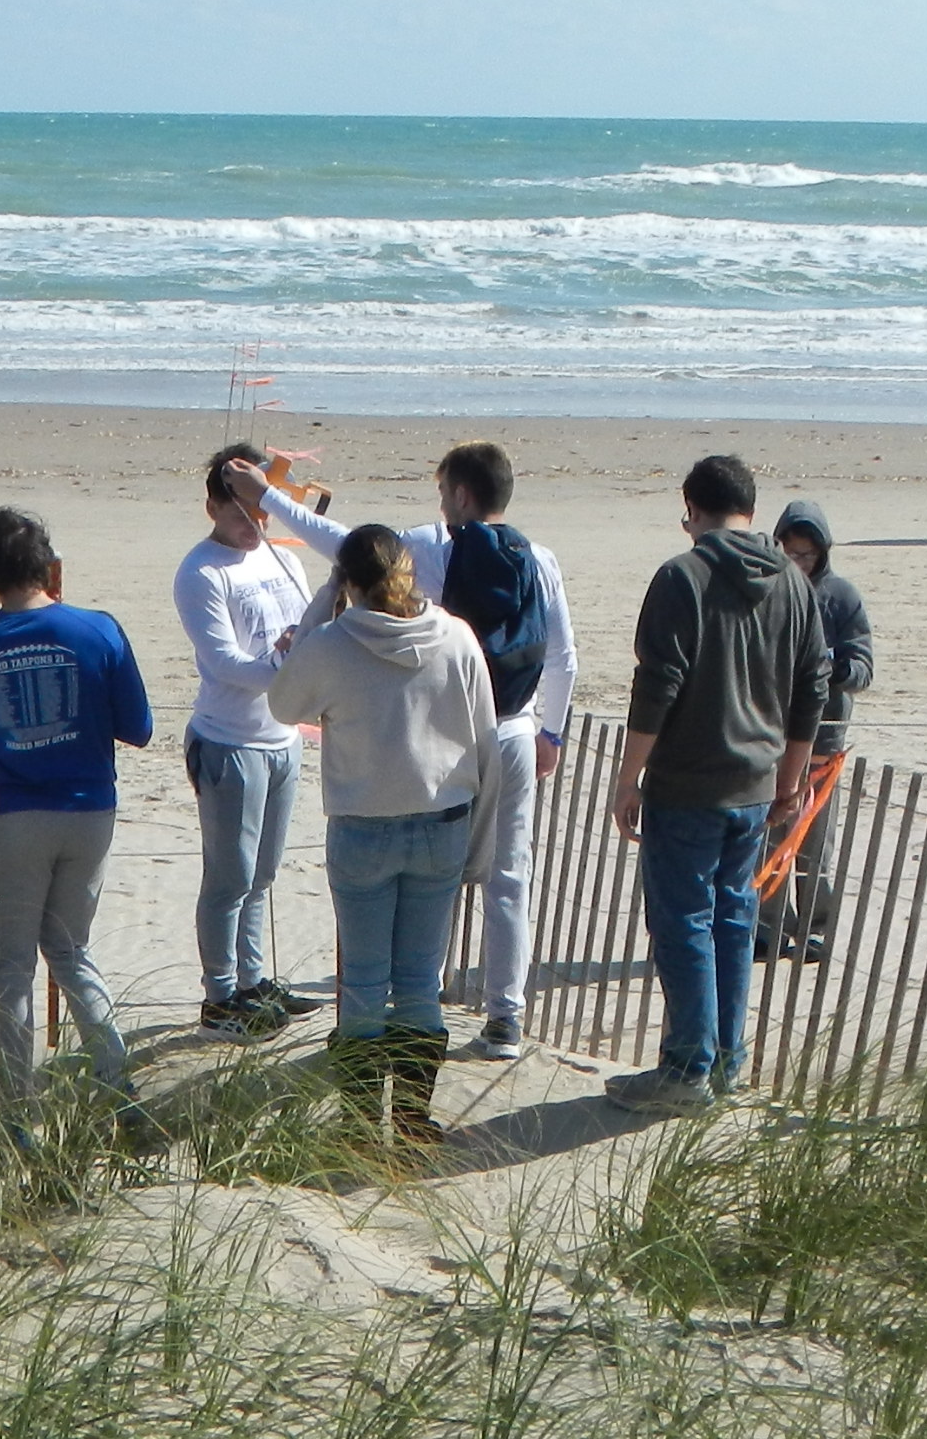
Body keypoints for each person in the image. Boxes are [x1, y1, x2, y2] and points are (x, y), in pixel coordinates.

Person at [227, 438, 576, 1062]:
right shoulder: (540, 557)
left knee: (379, 954)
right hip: (517, 731)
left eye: (444, 492)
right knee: (507, 879)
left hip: (448, 746)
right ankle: (505, 1018)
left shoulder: (430, 546)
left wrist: (269, 497)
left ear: (462, 495)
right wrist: (552, 731)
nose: (441, 504)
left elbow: (346, 544)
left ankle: (370, 1075)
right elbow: (563, 656)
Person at [606, 452, 826, 1115]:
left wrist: (627, 776)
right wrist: (791, 778)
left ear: (694, 511)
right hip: (755, 786)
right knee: (732, 921)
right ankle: (726, 1062)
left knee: (684, 924)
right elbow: (813, 686)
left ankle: (686, 1069)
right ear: (752, 512)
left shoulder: (684, 576)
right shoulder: (792, 581)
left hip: (690, 785)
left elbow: (657, 685)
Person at [264, 521, 495, 1144]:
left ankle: (363, 1125)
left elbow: (282, 704)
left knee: (364, 981)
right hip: (441, 819)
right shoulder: (456, 636)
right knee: (420, 979)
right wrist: (482, 835)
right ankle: (413, 1119)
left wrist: (322, 603)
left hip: (364, 826)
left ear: (350, 581)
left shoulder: (333, 643)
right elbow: (485, 739)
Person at [0, 505, 152, 1109]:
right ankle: (116, 1081)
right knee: (69, 950)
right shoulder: (100, 629)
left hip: (19, 810)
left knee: (13, 966)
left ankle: (16, 1108)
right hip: (89, 807)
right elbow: (137, 726)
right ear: (48, 566)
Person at [170, 448, 326, 1033]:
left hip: (282, 737)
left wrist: (304, 669)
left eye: (258, 507)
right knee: (229, 876)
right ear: (212, 506)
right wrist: (287, 668)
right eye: (237, 509)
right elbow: (224, 661)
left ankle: (254, 981)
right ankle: (219, 996)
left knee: (262, 874)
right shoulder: (201, 570)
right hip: (229, 739)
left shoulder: (284, 561)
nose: (251, 521)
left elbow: (310, 632)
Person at [754, 498, 871, 959]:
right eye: (791, 552)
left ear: (822, 552)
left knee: (814, 840)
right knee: (768, 837)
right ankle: (767, 927)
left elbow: (863, 664)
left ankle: (815, 928)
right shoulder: (767, 589)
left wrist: (836, 669)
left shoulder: (841, 596)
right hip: (770, 736)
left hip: (823, 740)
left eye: (807, 554)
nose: (799, 562)